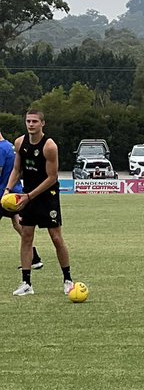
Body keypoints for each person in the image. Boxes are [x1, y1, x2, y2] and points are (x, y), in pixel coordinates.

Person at [4, 109, 75, 296]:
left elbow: (52, 177)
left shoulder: (49, 146)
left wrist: (29, 196)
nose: (31, 124)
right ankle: (26, 283)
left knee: (56, 238)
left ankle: (68, 279)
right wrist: (7, 190)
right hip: (28, 195)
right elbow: (16, 170)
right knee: (26, 236)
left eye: (35, 121)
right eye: (28, 121)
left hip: (47, 195)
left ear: (42, 123)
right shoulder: (20, 142)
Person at [0, 129, 43, 271]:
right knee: (19, 225)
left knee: (21, 226)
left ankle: (34, 258)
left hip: (3, 194)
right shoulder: (10, 146)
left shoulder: (1, 149)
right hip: (15, 192)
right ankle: (35, 258)